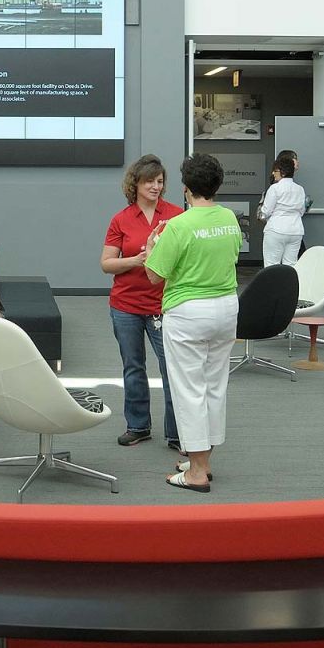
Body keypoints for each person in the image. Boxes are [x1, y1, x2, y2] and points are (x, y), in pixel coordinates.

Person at [144, 153, 243, 492]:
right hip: (226, 308)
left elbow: (154, 275)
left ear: (186, 188)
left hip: (188, 312)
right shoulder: (229, 218)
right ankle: (204, 460)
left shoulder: (179, 225)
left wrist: (151, 246)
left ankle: (197, 472)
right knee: (214, 386)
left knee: (189, 390)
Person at [102, 155, 182, 449]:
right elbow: (107, 263)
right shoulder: (121, 219)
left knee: (171, 369)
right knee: (133, 367)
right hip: (126, 306)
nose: (155, 186)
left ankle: (177, 433)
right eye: (149, 181)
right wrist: (137, 260)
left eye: (160, 181)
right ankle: (138, 426)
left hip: (164, 305)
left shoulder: (176, 215)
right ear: (135, 184)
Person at [258, 157, 307, 268]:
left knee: (271, 265)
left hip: (276, 229)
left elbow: (266, 211)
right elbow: (301, 211)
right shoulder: (300, 189)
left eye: (275, 171)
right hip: (296, 230)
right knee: (291, 265)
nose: (273, 173)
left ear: (283, 172)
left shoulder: (275, 188)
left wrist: (263, 215)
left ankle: (274, 281)